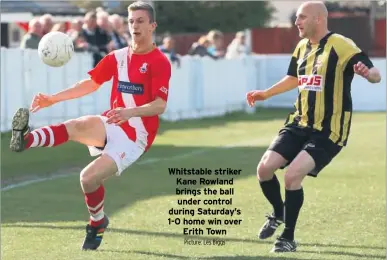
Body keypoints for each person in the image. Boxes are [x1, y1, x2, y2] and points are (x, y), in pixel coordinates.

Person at [10, 1, 171, 251]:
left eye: (140, 21)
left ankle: (97, 222)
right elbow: (90, 83)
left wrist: (130, 112)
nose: (135, 26)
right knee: (76, 125)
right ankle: (25, 140)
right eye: (131, 21)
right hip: (113, 122)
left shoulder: (160, 61)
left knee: (87, 178)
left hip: (136, 137)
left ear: (152, 26)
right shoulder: (117, 57)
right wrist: (54, 98)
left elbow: (160, 105)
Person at [246, 1, 381, 253]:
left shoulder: (340, 44)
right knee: (264, 169)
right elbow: (294, 78)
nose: (296, 22)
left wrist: (368, 73)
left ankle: (288, 237)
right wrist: (266, 94)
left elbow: (375, 74)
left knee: (292, 176)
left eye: (301, 17)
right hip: (299, 122)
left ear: (318, 19)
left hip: (329, 130)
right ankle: (278, 213)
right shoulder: (301, 47)